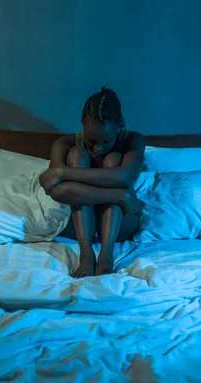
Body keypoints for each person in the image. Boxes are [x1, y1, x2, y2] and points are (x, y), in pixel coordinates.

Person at [39, 87, 146, 278]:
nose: (98, 148)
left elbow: (124, 177)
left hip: (122, 224)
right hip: (78, 225)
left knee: (113, 158)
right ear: (81, 122)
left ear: (119, 126)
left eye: (107, 141)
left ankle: (107, 255)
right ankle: (86, 254)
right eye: (91, 140)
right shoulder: (64, 144)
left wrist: (62, 172)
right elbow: (55, 190)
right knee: (77, 154)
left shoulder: (132, 140)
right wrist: (120, 194)